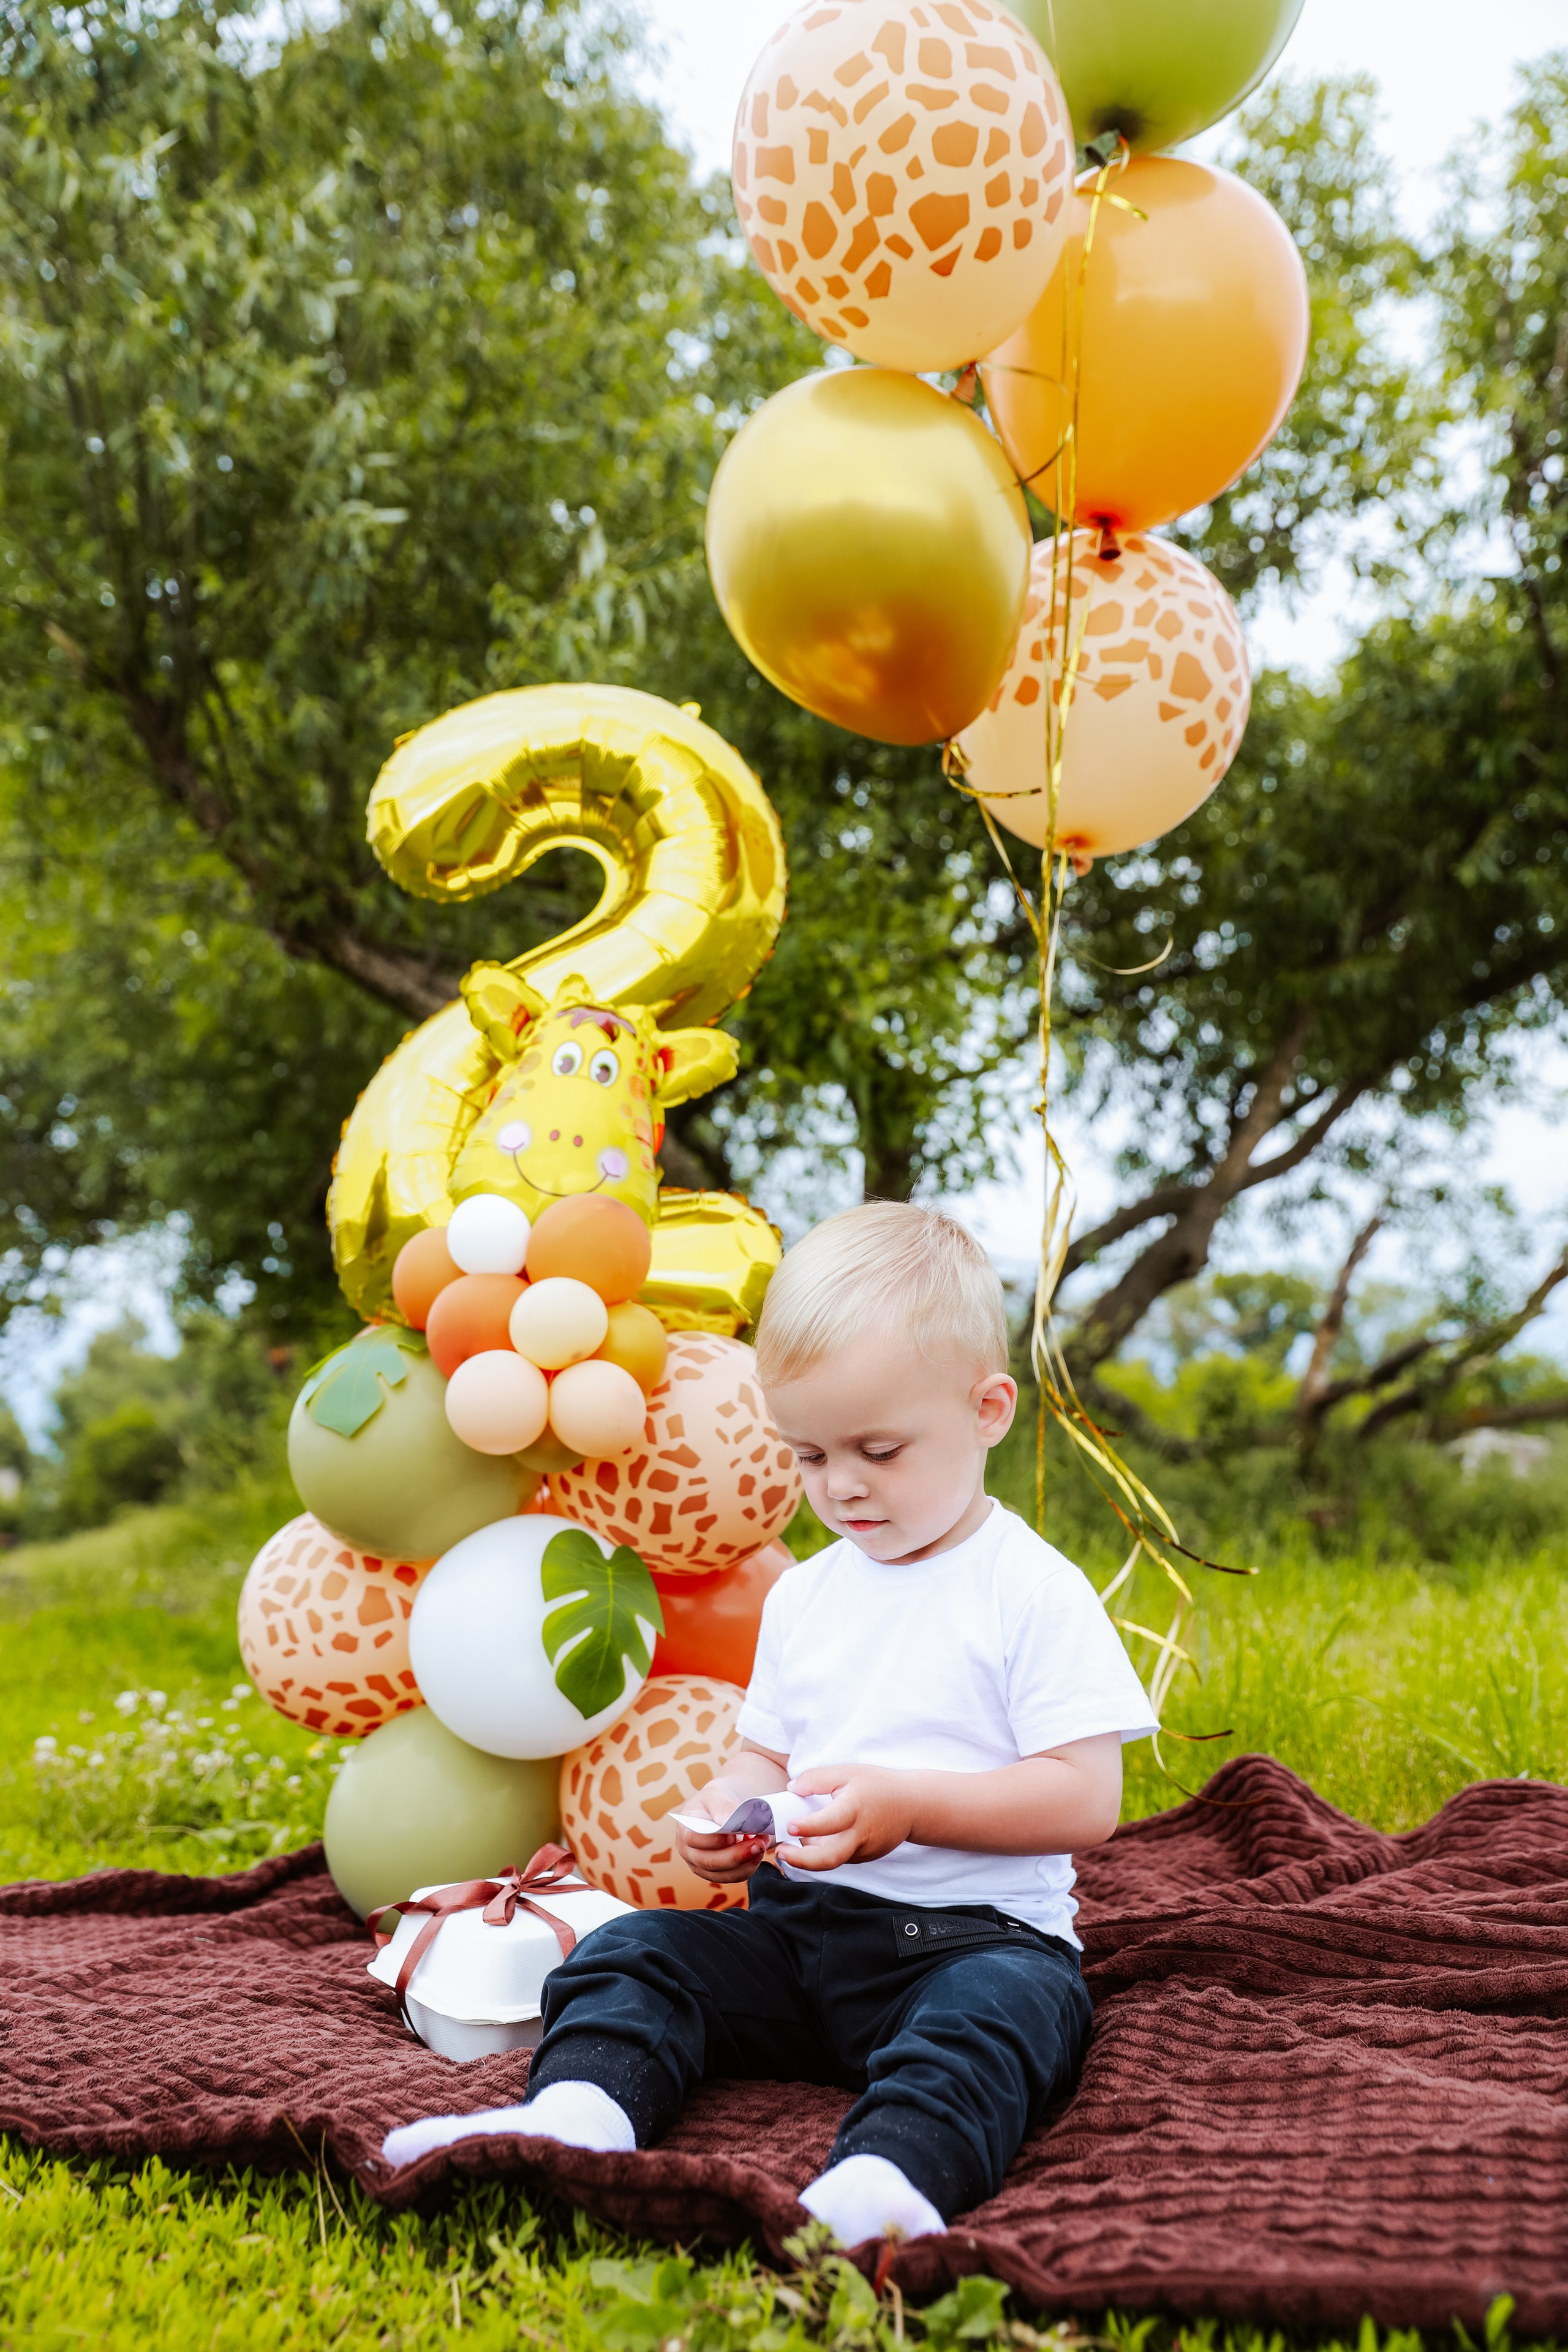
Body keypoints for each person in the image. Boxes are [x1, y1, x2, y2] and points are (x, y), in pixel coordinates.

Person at [384, 1202, 1157, 2245]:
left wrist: (912, 1805)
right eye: (808, 1455)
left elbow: (1085, 1797)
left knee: (1000, 2021)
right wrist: (724, 1814)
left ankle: (889, 2177)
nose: (841, 1487)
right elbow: (765, 1751)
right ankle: (580, 2114)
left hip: (975, 1943)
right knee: (637, 1948)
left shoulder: (1027, 1589)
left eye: (880, 1450)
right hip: (800, 1941)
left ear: (988, 1410)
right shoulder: (807, 1593)